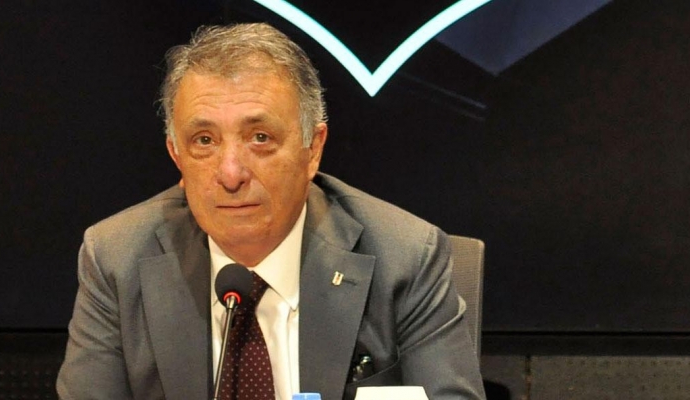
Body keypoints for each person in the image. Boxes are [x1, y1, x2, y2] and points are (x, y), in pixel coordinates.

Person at [57, 22, 485, 400]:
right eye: (204, 141)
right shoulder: (116, 258)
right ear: (176, 155)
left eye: (259, 137)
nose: (231, 174)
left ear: (312, 149)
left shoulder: (405, 256)